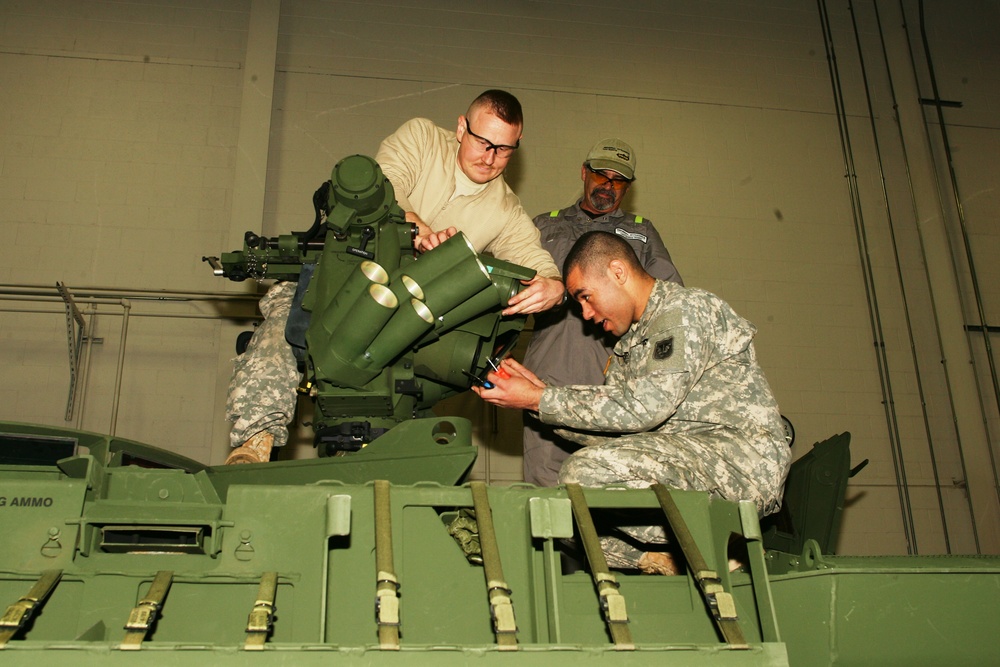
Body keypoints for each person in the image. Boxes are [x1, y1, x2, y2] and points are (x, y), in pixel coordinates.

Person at [224, 89, 564, 464]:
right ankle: (255, 440)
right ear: (461, 127)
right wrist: (419, 229)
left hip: (403, 312)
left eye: (504, 149)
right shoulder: (421, 138)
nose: (490, 157)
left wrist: (553, 285)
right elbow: (388, 185)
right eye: (483, 142)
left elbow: (535, 261)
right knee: (279, 333)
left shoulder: (505, 209)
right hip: (338, 277)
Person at [473, 231, 790, 573]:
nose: (586, 313)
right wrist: (535, 402)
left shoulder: (684, 310)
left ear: (618, 273)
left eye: (586, 297)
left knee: (581, 475)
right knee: (557, 511)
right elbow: (620, 434)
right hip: (685, 462)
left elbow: (643, 408)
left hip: (740, 463)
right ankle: (666, 560)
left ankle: (713, 539)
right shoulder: (628, 347)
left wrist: (541, 398)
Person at [522, 138, 683, 486]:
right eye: (600, 175)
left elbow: (670, 300)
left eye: (619, 180)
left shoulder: (640, 232)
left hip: (612, 379)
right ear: (584, 172)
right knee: (545, 486)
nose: (608, 185)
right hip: (551, 369)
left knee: (608, 486)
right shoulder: (544, 226)